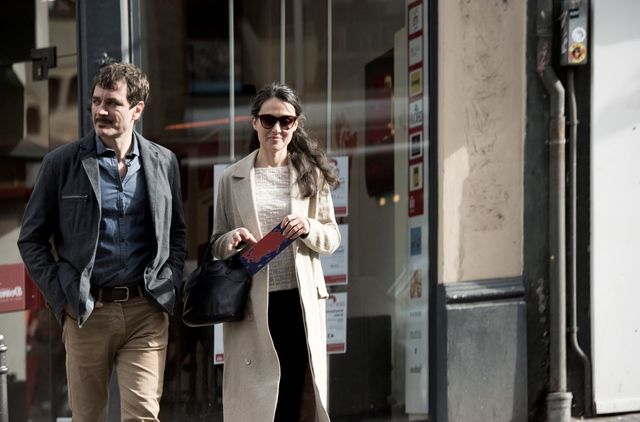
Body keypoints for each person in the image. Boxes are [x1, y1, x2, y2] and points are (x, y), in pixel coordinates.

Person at [17, 62, 186, 421]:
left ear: (137, 109)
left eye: (112, 103)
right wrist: (62, 296)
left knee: (142, 415)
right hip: (87, 312)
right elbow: (31, 239)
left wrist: (169, 280)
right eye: (96, 101)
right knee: (88, 416)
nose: (101, 111)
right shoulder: (61, 164)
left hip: (145, 311)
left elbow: (176, 233)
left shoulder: (163, 162)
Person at [211, 82, 341, 422]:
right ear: (254, 122)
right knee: (260, 400)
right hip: (254, 303)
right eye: (269, 120)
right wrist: (232, 239)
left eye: (286, 121)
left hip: (299, 300)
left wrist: (308, 227)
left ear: (296, 124)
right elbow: (215, 242)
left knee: (295, 394)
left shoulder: (310, 175)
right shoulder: (232, 178)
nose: (277, 129)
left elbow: (332, 237)